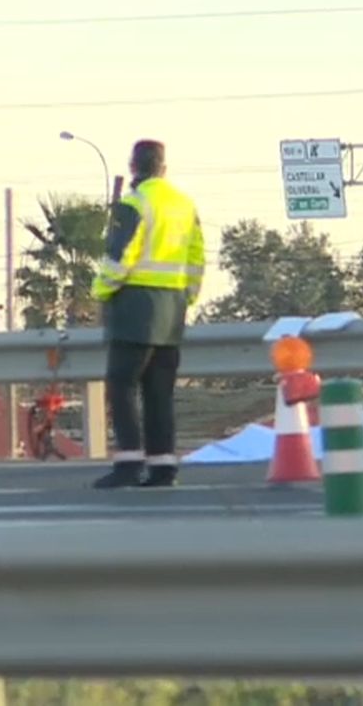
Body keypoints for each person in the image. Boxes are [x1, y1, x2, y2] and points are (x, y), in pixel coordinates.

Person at [90, 139, 206, 488]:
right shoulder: (185, 205)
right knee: (159, 390)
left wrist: (101, 290)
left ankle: (128, 463)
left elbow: (120, 258)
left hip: (135, 307)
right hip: (172, 309)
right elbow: (197, 257)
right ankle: (163, 465)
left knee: (122, 384)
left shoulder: (134, 203)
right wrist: (188, 296)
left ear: (133, 168)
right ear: (163, 167)